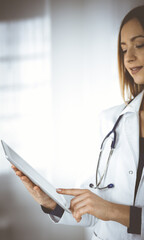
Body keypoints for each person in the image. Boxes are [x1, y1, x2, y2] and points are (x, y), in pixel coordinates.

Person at [12, 5, 144, 240]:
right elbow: (92, 211)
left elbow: (106, 209)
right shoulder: (110, 121)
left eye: (139, 45)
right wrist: (51, 203)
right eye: (124, 49)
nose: (129, 58)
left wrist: (112, 211)